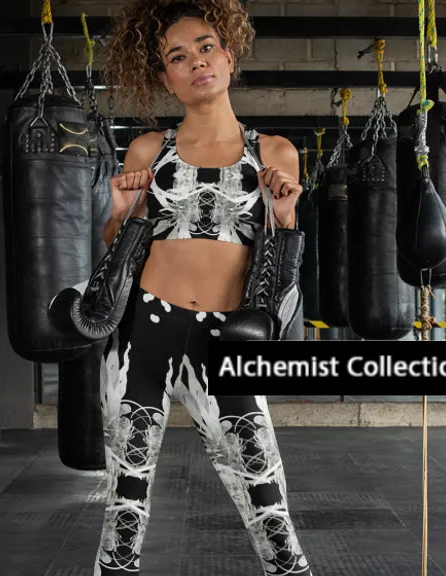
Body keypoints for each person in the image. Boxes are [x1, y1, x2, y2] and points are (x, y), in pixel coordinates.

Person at [94, 1, 312, 574]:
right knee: (125, 501)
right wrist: (118, 211)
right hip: (146, 328)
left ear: (229, 55)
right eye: (178, 56)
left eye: (206, 46)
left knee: (268, 500)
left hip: (228, 337)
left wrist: (285, 215)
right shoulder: (149, 149)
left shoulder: (274, 153)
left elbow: (278, 269)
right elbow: (115, 253)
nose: (197, 62)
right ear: (165, 77)